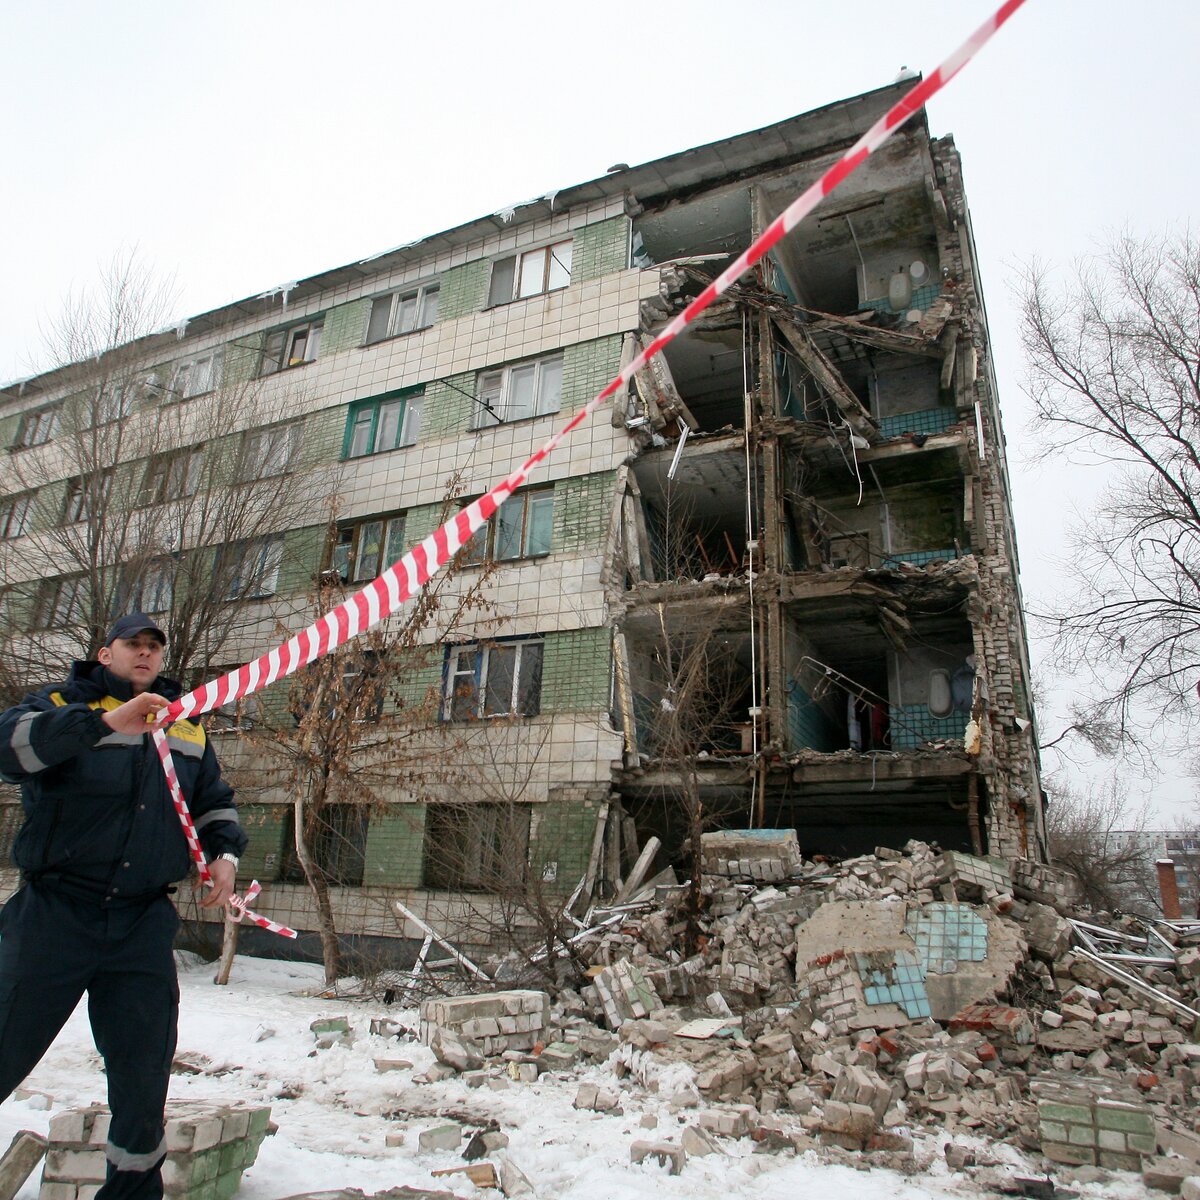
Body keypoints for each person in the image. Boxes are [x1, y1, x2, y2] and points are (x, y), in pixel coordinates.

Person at [0, 613, 246, 1199]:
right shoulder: (58, 705)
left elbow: (214, 802)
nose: (144, 654)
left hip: (140, 922)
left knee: (142, 1077)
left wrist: (225, 857)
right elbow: (8, 752)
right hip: (55, 913)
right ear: (104, 654)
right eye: (132, 644)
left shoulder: (184, 726)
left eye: (154, 647)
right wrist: (106, 722)